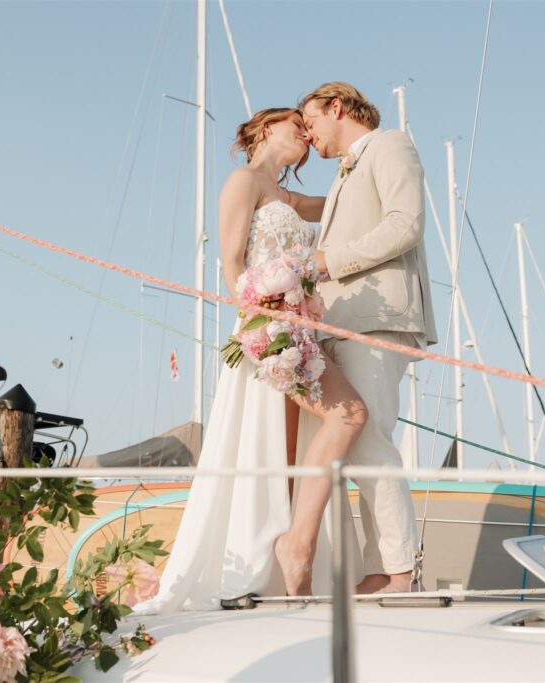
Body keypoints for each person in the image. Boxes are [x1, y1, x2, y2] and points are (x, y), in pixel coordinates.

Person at [133, 107, 368, 614]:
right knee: (325, 422)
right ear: (265, 130)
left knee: (290, 448)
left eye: (309, 132)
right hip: (267, 328)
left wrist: (358, 161)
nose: (305, 137)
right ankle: (268, 561)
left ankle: (288, 570)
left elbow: (334, 205)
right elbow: (233, 262)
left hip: (300, 327)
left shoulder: (288, 198)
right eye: (295, 128)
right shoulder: (244, 180)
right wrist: (262, 322)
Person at [298, 82, 438, 594]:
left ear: (337, 107)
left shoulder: (391, 144)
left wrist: (326, 262)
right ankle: (379, 570)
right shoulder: (344, 172)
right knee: (360, 450)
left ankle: (398, 572)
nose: (308, 136)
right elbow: (339, 212)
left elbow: (406, 223)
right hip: (340, 324)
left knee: (371, 443)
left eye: (310, 123)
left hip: (375, 321)